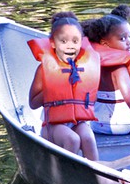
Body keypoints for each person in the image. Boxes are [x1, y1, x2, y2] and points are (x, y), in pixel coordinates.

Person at [28, 11, 99, 160]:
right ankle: (67, 174)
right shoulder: (44, 69)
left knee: (88, 138)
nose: (70, 46)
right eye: (64, 41)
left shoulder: (86, 66)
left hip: (78, 122)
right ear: (53, 43)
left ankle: (96, 175)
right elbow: (33, 103)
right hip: (52, 127)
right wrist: (52, 87)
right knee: (72, 140)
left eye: (75, 41)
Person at [82, 5, 130, 136]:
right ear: (104, 43)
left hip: (96, 125)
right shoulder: (119, 68)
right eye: (122, 38)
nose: (129, 42)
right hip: (123, 127)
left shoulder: (90, 62)